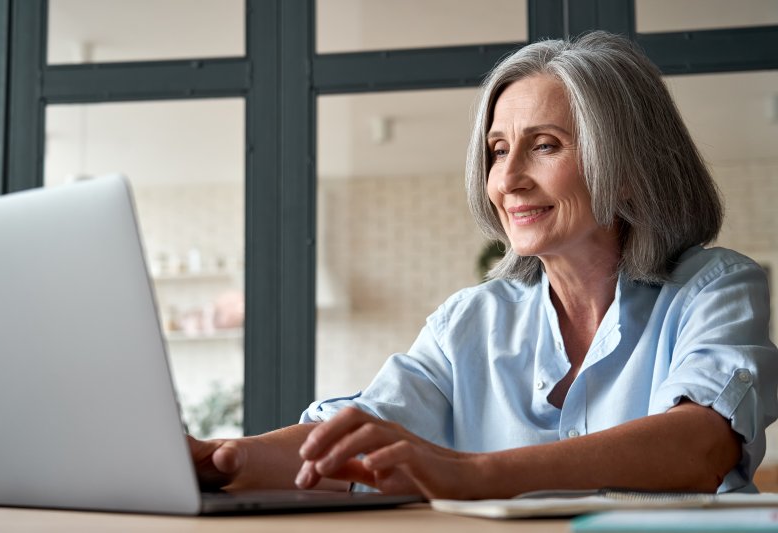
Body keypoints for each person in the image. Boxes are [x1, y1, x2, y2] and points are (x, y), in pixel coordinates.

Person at [190, 31, 778, 499]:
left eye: (544, 145)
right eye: (498, 151)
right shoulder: (468, 321)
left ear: (626, 167)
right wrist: (222, 457)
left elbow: (699, 447)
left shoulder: (715, 287)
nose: (508, 179)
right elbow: (364, 429)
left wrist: (471, 473)